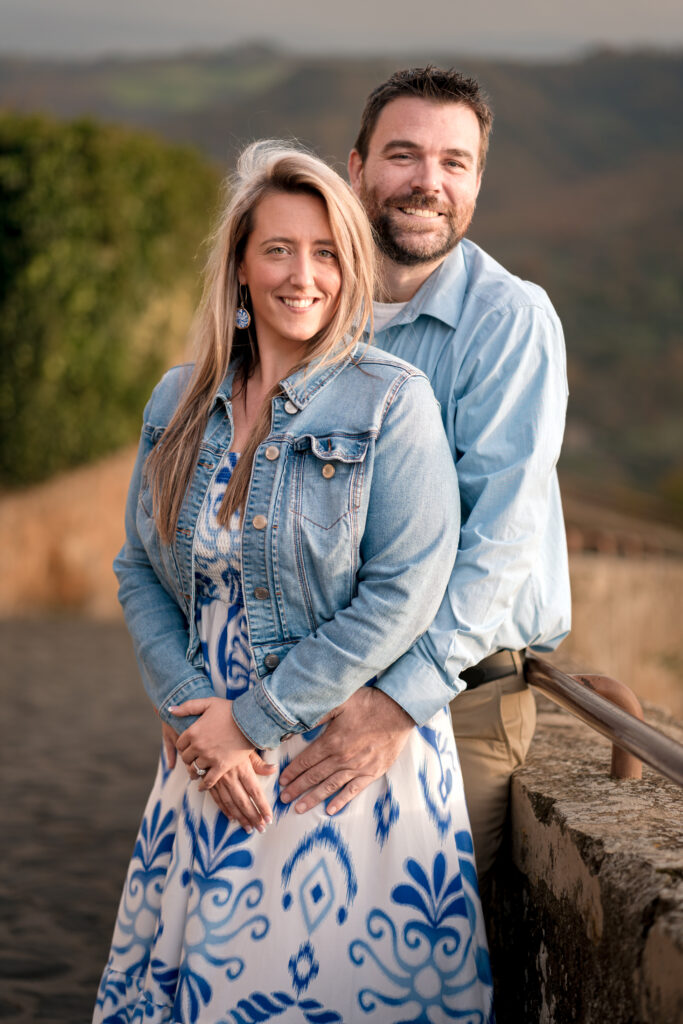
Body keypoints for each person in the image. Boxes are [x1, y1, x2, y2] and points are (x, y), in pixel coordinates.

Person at [94, 141, 495, 1023]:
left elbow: (405, 591)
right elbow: (139, 568)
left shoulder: (392, 400)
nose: (301, 275)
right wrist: (190, 710)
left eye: (325, 253)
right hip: (205, 758)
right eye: (277, 249)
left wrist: (249, 720)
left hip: (333, 766)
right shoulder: (177, 401)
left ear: (349, 267)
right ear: (240, 265)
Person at [274, 67, 571, 888]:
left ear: (476, 180)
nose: (427, 183)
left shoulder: (506, 319)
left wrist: (397, 702)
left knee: (422, 962)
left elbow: (499, 536)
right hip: (305, 684)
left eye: (454, 162)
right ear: (357, 166)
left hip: (455, 697)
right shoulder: (305, 307)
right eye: (403, 155)